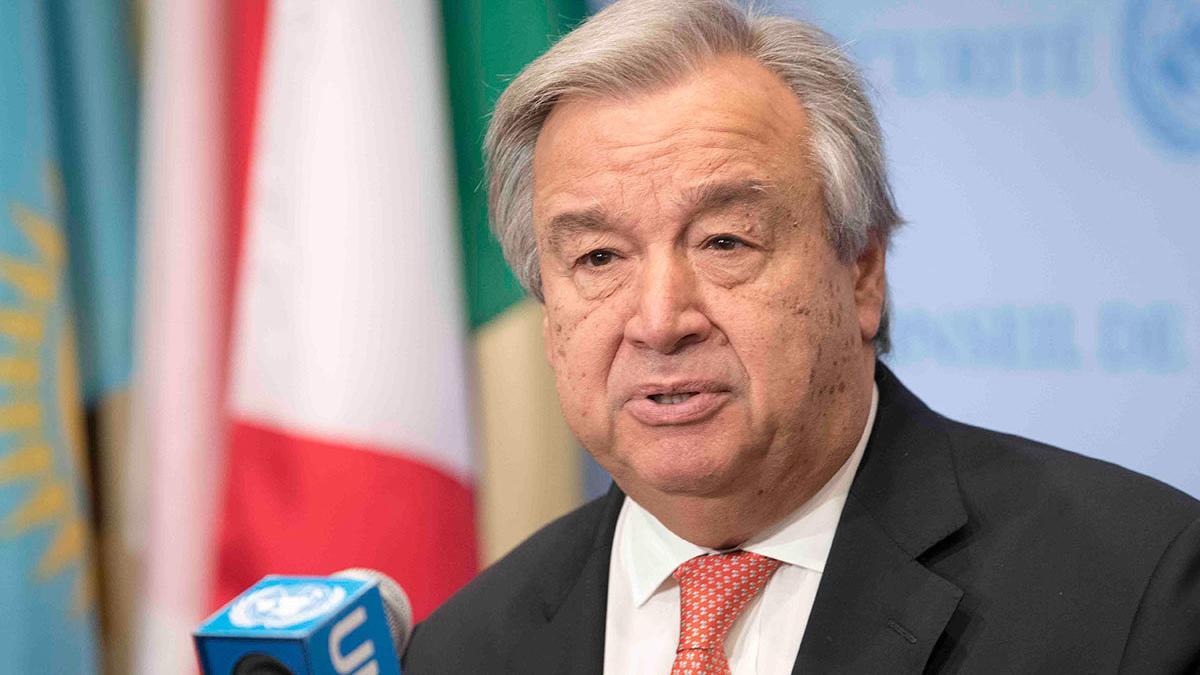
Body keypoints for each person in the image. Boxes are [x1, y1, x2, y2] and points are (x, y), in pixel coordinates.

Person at [402, 1, 1200, 672]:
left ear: (862, 271)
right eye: (599, 258)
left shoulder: (1137, 593)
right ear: (549, 313)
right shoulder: (461, 650)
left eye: (725, 241)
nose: (659, 321)